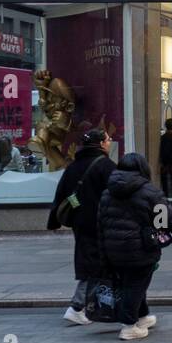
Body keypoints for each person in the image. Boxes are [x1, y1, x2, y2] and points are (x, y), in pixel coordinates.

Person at [97, 152, 172, 341]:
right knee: (135, 284)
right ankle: (129, 326)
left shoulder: (108, 192)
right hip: (140, 249)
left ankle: (143, 316)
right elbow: (167, 222)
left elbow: (100, 225)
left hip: (112, 248)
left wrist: (103, 253)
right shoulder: (150, 192)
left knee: (131, 283)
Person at [47, 127, 117, 325]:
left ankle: (91, 305)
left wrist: (54, 220)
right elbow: (116, 192)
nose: (110, 142)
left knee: (91, 260)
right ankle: (77, 306)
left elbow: (62, 193)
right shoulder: (106, 166)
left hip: (80, 222)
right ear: (101, 144)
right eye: (108, 139)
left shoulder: (74, 166)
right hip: (101, 222)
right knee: (96, 263)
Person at [157, 118, 172, 199]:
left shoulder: (163, 138)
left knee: (165, 185)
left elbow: (163, 152)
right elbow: (169, 152)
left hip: (165, 165)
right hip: (171, 165)